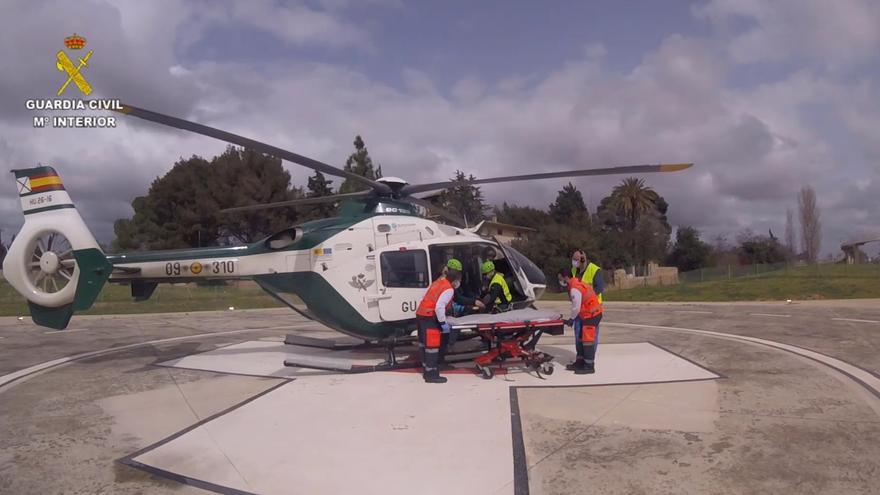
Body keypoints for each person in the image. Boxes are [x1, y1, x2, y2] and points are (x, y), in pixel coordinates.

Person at [414, 258, 463, 383]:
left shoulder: (439, 282)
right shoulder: (448, 288)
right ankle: (431, 374)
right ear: (456, 275)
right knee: (432, 346)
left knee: (424, 344)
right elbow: (439, 306)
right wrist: (443, 323)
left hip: (421, 315)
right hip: (430, 317)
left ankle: (427, 369)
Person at [557, 268, 603, 374]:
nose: (560, 282)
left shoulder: (574, 288)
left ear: (565, 277)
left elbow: (576, 307)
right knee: (582, 339)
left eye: (560, 279)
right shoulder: (578, 283)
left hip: (592, 315)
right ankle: (580, 361)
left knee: (587, 341)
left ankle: (589, 366)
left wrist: (571, 319)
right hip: (589, 314)